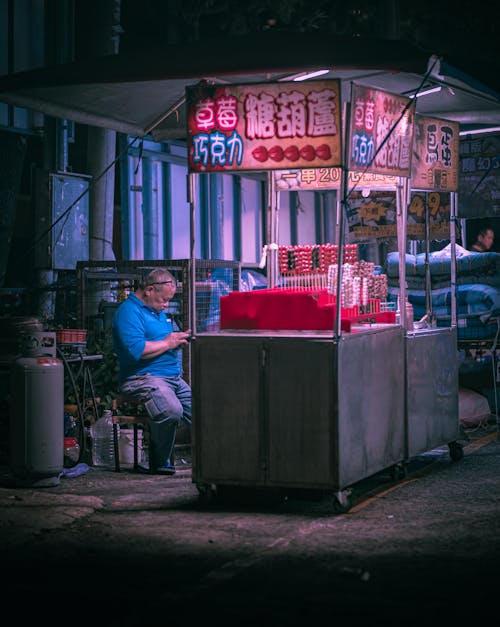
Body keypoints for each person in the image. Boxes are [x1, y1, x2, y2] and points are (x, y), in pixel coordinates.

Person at [112, 267, 192, 475]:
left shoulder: (157, 311)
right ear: (149, 290)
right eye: (164, 300)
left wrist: (177, 340)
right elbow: (135, 351)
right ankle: (159, 460)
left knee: (204, 413)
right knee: (171, 410)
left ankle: (217, 461)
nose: (166, 305)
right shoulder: (128, 313)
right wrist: (168, 343)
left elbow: (161, 341)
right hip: (142, 378)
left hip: (172, 378)